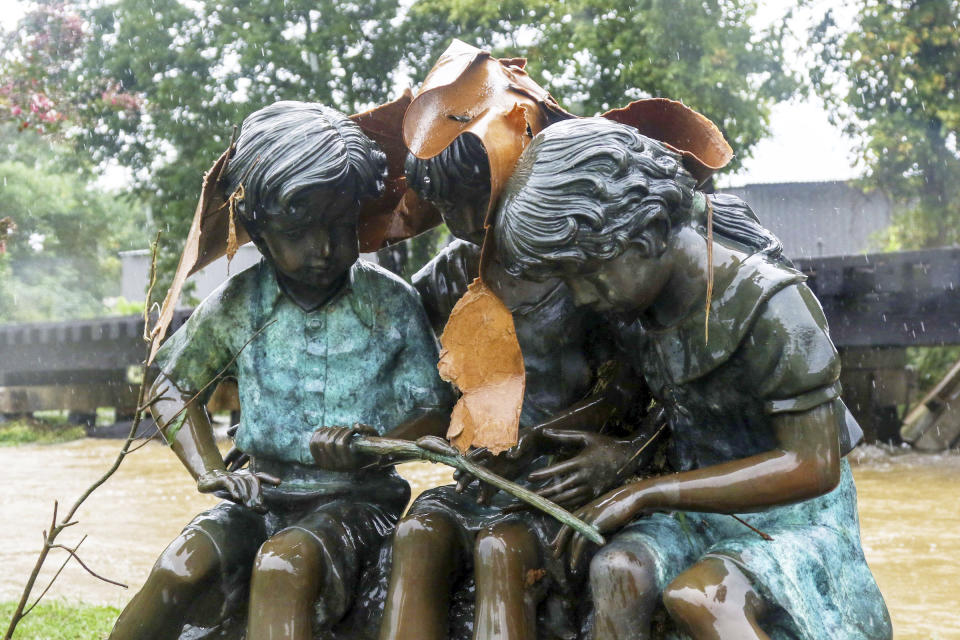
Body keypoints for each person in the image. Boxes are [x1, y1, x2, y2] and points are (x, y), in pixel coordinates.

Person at [494, 117, 892, 640]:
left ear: (648, 232)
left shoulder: (769, 305)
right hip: (694, 505)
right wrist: (534, 440)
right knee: (617, 571)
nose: (583, 298)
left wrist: (648, 493)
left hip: (792, 518)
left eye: (587, 275)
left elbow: (814, 466)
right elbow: (626, 396)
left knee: (701, 596)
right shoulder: (635, 307)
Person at [109, 101, 453, 640]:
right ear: (257, 229)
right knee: (180, 567)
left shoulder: (391, 304)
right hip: (260, 496)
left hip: (358, 504)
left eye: (340, 226)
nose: (323, 249)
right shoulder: (238, 304)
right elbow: (171, 384)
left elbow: (436, 409)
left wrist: (378, 443)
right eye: (300, 231)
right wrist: (209, 469)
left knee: (284, 567)